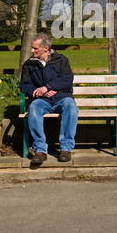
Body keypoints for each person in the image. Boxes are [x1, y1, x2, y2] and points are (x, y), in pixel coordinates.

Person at [19, 32, 78, 164]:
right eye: (32, 48)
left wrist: (48, 87)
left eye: (35, 48)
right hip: (42, 100)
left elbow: (67, 79)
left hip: (62, 98)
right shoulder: (29, 64)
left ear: (45, 48)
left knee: (71, 106)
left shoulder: (61, 60)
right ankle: (40, 150)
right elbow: (25, 85)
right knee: (33, 107)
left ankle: (66, 149)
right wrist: (38, 92)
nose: (31, 50)